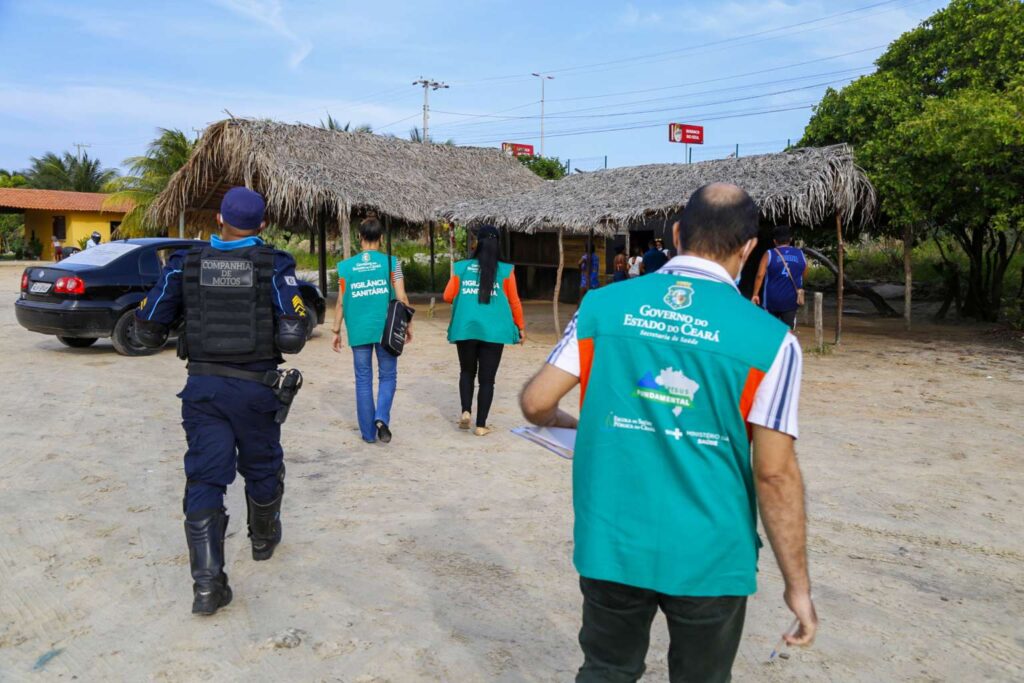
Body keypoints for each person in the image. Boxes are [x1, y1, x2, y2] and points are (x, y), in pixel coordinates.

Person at [520, 183, 817, 682]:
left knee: (607, 670)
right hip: (711, 553)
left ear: (677, 233)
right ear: (749, 248)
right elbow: (774, 474)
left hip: (613, 539)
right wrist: (798, 586)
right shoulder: (772, 340)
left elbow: (536, 403)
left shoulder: (601, 307)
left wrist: (575, 425)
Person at [133, 187, 308, 616]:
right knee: (263, 466)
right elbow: (293, 333)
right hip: (255, 389)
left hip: (204, 390)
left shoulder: (185, 264)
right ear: (263, 224)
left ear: (218, 220)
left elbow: (147, 326)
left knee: (205, 479)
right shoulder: (274, 263)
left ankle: (208, 586)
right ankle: (264, 540)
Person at [331, 216, 412, 444]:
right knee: (388, 376)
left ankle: (368, 434)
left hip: (358, 330)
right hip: (385, 329)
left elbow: (340, 301)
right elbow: (401, 297)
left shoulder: (346, 267)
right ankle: (381, 417)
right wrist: (408, 325)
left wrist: (336, 330)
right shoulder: (391, 263)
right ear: (382, 238)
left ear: (359, 237)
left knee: (363, 379)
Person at [443, 225, 526, 436]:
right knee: (487, 380)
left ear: (477, 243)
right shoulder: (506, 271)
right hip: (494, 332)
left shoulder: (461, 268)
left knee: (467, 371)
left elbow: (447, 296)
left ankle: (465, 412)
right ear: (498, 244)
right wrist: (521, 328)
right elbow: (514, 302)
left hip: (466, 328)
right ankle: (481, 425)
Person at [751, 224, 806, 330]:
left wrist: (755, 294)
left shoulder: (769, 254)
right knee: (788, 331)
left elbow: (759, 275)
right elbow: (804, 272)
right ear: (790, 239)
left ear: (775, 241)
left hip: (772, 300)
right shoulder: (800, 254)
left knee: (770, 330)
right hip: (791, 300)